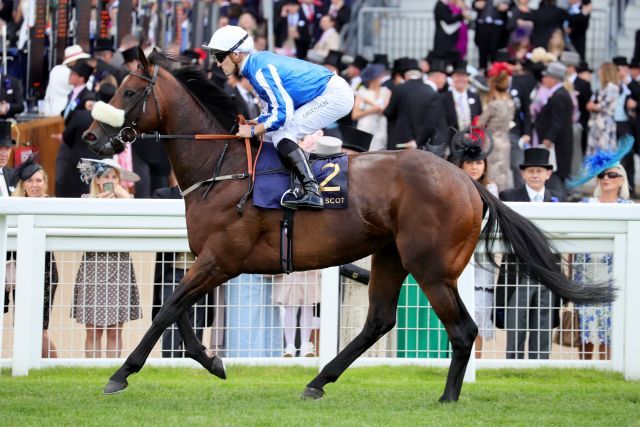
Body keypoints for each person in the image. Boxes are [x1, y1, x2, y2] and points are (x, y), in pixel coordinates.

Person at [203, 25, 354, 210]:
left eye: (219, 56)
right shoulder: (253, 67)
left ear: (236, 55)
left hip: (335, 95)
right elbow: (270, 112)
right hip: (326, 92)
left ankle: (311, 191)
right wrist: (256, 123)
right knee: (270, 134)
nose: (218, 64)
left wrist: (252, 130)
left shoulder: (259, 70)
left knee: (284, 134)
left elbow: (283, 114)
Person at [72, 158, 142, 358]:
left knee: (114, 330)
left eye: (114, 177)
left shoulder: (128, 203)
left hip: (119, 265)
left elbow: (138, 226)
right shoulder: (87, 200)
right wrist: (96, 206)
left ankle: (111, 369)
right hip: (93, 266)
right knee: (93, 329)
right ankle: (92, 371)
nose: (110, 181)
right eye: (105, 177)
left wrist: (125, 200)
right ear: (96, 181)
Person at [569, 145, 633, 360]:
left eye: (612, 174)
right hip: (585, 276)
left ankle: (606, 369)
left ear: (621, 179)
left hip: (615, 277)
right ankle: (585, 370)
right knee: (586, 332)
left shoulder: (628, 207)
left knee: (609, 331)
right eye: (602, 174)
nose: (606, 178)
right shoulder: (585, 204)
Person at [498, 148, 563, 359]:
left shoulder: (557, 199)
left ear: (548, 174)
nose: (535, 175)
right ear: (523, 174)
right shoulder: (509, 196)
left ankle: (540, 365)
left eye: (540, 171)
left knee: (543, 323)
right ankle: (513, 365)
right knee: (516, 322)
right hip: (518, 269)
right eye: (531, 171)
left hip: (547, 270)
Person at [451, 128, 497, 358]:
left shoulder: (492, 190)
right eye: (469, 162)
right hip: (455, 252)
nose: (475, 166)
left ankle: (474, 362)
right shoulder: (449, 188)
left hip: (481, 259)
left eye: (479, 162)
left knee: (479, 309)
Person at [10, 156, 58, 358]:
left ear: (45, 183)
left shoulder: (53, 205)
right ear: (23, 184)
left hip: (45, 270)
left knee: (40, 327)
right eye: (30, 181)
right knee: (22, 324)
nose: (35, 185)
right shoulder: (14, 205)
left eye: (39, 180)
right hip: (20, 269)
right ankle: (28, 362)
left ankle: (56, 365)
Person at [55, 84, 114, 198]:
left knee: (76, 203)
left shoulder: (80, 115)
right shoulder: (114, 122)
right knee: (106, 200)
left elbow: (67, 137)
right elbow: (120, 147)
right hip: (105, 169)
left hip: (79, 167)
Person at [384, 58, 448, 154]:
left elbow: (389, 112)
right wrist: (418, 140)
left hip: (401, 141)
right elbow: (430, 121)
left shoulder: (399, 89)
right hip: (424, 143)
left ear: (405, 76)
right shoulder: (428, 91)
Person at [534, 61, 574, 190]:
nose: (544, 79)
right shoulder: (559, 93)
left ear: (554, 78)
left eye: (546, 76)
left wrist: (549, 138)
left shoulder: (559, 95)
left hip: (558, 145)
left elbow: (558, 121)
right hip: (558, 143)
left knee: (556, 174)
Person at [478, 61, 516, 191]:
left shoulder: (494, 105)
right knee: (503, 170)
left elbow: (480, 123)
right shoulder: (511, 103)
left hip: (491, 140)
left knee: (491, 171)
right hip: (505, 140)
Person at [273, 270, 321, 357]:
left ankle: (305, 345)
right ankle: (290, 346)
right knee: (291, 305)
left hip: (309, 269)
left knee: (308, 304)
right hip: (291, 268)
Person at [442, 60, 483, 144]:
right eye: (457, 76)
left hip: (472, 142)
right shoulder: (444, 98)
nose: (461, 79)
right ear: (452, 78)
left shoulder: (475, 97)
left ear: (467, 78)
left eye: (463, 76)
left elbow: (479, 117)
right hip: (451, 143)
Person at [352, 63, 390, 152]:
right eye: (379, 76)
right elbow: (355, 115)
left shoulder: (386, 91)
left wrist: (376, 107)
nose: (381, 78)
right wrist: (372, 110)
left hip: (380, 130)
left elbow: (385, 110)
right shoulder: (362, 92)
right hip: (365, 128)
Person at [42, 45, 89, 116]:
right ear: (74, 61)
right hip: (62, 114)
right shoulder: (66, 72)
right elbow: (88, 87)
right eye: (81, 60)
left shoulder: (56, 69)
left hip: (51, 112)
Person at [586, 62, 618, 154]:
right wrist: (593, 106)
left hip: (605, 124)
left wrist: (594, 106)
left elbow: (602, 105)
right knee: (595, 151)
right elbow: (590, 104)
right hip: (596, 123)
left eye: (601, 71)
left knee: (604, 150)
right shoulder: (601, 88)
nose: (599, 73)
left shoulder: (612, 87)